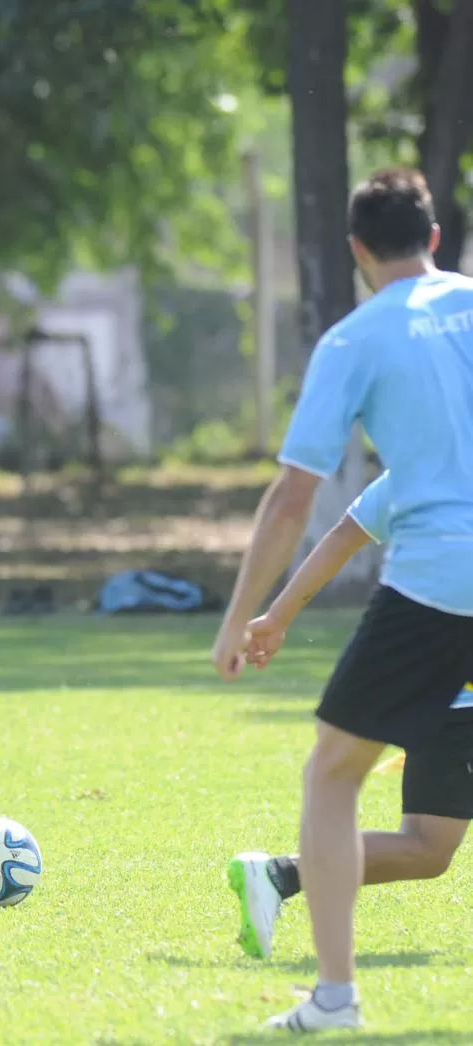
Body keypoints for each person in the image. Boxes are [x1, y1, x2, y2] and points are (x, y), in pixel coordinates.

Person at [210, 167, 473, 1033]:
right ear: (436, 236)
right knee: (429, 836)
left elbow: (293, 500)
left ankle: (334, 997)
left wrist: (241, 616)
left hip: (439, 580)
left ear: (358, 251)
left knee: (333, 772)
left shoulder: (356, 340)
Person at [226, 470, 473, 966]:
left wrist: (278, 617)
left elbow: (345, 534)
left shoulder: (417, 462)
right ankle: (287, 881)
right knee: (426, 847)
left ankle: (282, 875)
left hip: (429, 685)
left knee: (426, 849)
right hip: (456, 698)